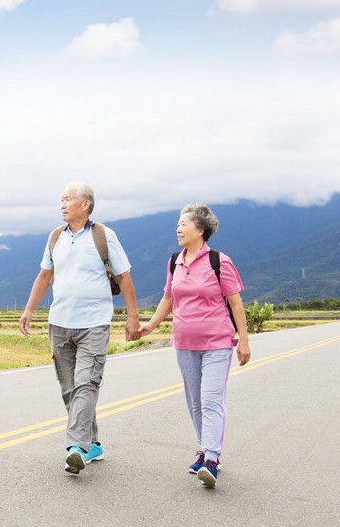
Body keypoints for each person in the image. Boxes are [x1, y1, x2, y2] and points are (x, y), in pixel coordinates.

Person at [19, 182, 140, 475]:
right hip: (59, 323)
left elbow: (124, 277)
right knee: (70, 389)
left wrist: (132, 317)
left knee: (87, 383)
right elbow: (44, 276)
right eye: (60, 200)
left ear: (85, 204)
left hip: (94, 323)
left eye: (67, 199)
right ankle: (93, 444)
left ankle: (76, 447)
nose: (62, 204)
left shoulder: (104, 236)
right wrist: (29, 310)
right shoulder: (55, 237)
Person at [135, 202, 250, 488]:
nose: (178, 228)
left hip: (217, 342)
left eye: (183, 224)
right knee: (195, 401)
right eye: (178, 224)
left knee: (210, 399)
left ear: (200, 229)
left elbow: (236, 303)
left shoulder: (219, 261)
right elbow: (168, 297)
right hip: (185, 343)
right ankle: (204, 448)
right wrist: (151, 325)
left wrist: (244, 341)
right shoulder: (175, 261)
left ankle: (212, 458)